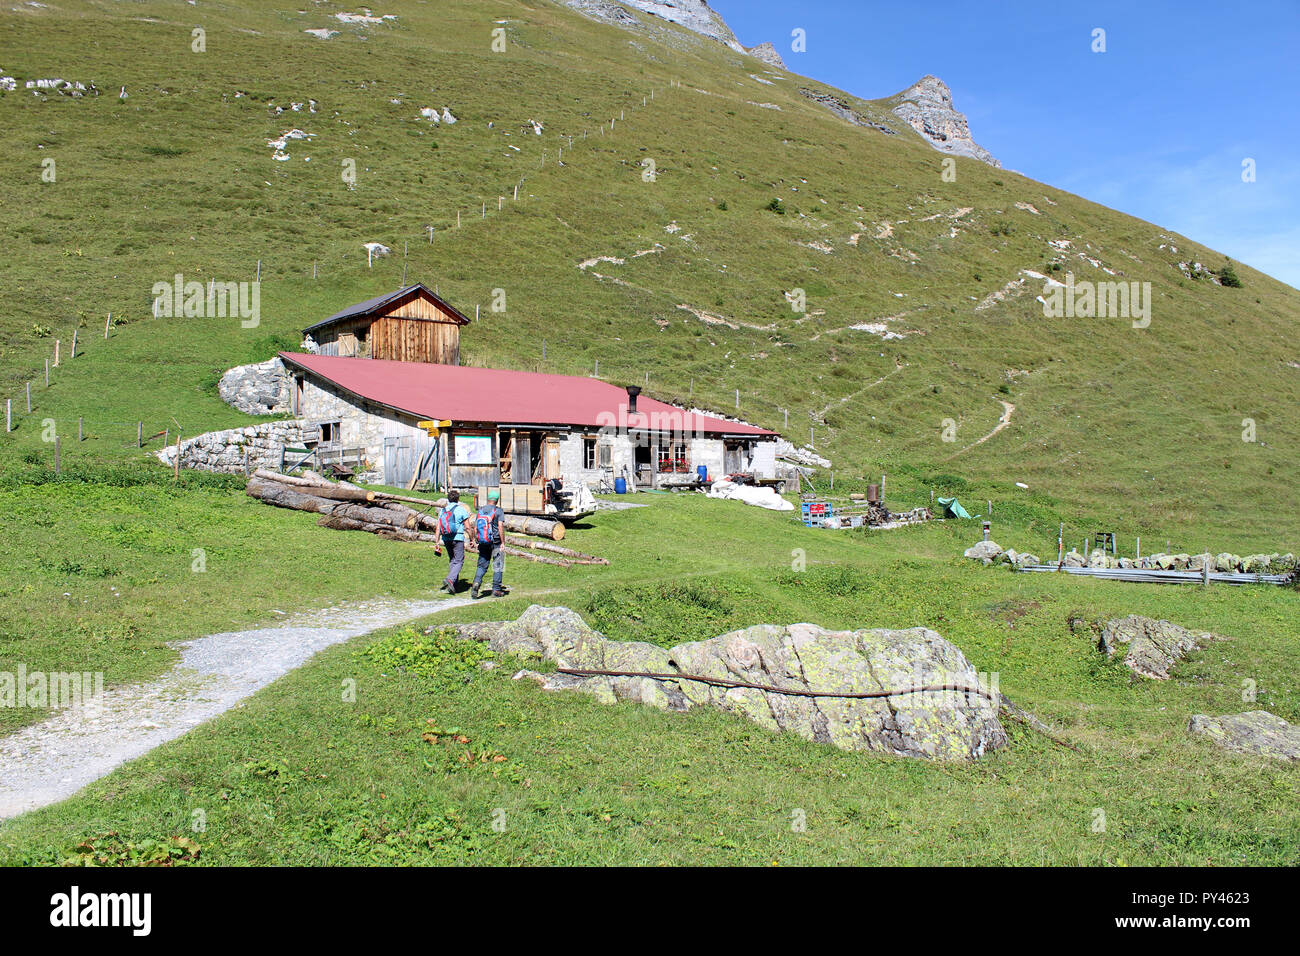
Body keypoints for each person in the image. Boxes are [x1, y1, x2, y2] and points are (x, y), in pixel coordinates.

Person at [470, 488, 507, 599]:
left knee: (482, 565)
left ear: (488, 499)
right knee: (498, 565)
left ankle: (476, 582)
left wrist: (476, 540)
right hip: (495, 541)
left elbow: (476, 528)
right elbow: (500, 526)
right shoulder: (498, 511)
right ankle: (496, 589)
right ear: (497, 500)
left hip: (483, 541)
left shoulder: (480, 511)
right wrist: (503, 542)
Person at [437, 489, 473, 594]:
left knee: (453, 560)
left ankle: (453, 584)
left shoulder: (442, 511)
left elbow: (438, 528)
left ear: (448, 499)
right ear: (458, 499)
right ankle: (450, 579)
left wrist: (437, 542)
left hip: (446, 538)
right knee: (459, 560)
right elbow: (468, 527)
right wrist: (472, 539)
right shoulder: (461, 509)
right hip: (457, 538)